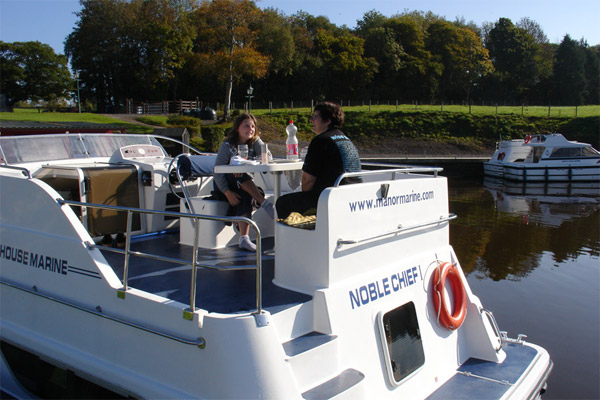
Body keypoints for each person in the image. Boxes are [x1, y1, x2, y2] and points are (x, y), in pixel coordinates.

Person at [276, 102, 361, 219]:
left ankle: (303, 236)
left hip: (330, 198)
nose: (311, 120)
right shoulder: (345, 139)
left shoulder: (320, 141)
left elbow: (307, 181)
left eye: (315, 116)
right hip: (353, 194)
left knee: (282, 203)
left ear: (327, 121)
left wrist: (305, 201)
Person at [213, 113, 274, 251]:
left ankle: (244, 239)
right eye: (246, 125)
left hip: (244, 187)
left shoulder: (255, 142)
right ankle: (264, 203)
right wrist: (227, 193)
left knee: (245, 194)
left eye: (253, 126)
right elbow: (217, 171)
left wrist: (250, 160)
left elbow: (268, 157)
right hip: (224, 186)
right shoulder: (227, 145)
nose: (251, 129)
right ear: (237, 128)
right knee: (238, 173)